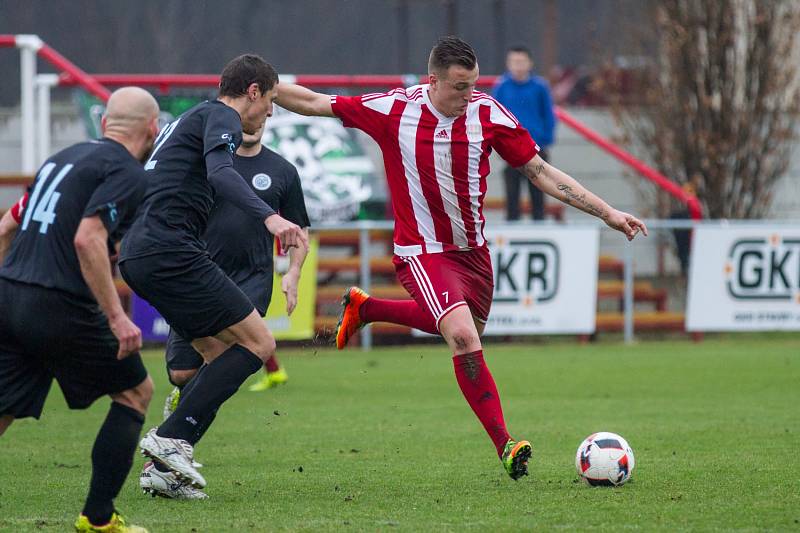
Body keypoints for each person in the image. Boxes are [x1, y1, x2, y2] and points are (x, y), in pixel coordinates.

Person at [275, 36, 647, 481]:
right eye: (457, 88)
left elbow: (541, 171)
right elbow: (318, 103)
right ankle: (506, 446)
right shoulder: (394, 109)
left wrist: (607, 212)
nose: (467, 96)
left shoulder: (488, 114)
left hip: (474, 255)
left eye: (472, 85)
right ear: (432, 80)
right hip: (421, 252)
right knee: (465, 338)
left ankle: (367, 308)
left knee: (463, 331)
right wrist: (261, 87)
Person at [118, 54, 307, 492]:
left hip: (141, 253)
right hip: (170, 250)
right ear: (254, 91)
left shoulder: (186, 122)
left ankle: (163, 472)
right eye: (272, 99)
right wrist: (270, 218)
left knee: (213, 360)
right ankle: (170, 438)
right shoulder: (221, 114)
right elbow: (222, 172)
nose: (271, 112)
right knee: (259, 342)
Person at [0, 87, 159, 533]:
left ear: (105, 123)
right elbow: (87, 237)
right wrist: (116, 315)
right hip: (58, 302)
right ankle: (99, 517)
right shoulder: (127, 171)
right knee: (135, 393)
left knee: (3, 410)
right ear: (152, 129)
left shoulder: (62, 159)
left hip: (10, 294)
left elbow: (7, 226)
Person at [493, 46, 557, 221]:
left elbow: (549, 115)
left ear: (530, 63)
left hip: (537, 149)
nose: (518, 66)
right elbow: (494, 117)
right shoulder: (502, 87)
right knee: (512, 197)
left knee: (539, 194)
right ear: (508, 64)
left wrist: (544, 141)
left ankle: (539, 229)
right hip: (510, 151)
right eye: (514, 62)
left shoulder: (540, 87)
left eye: (521, 62)